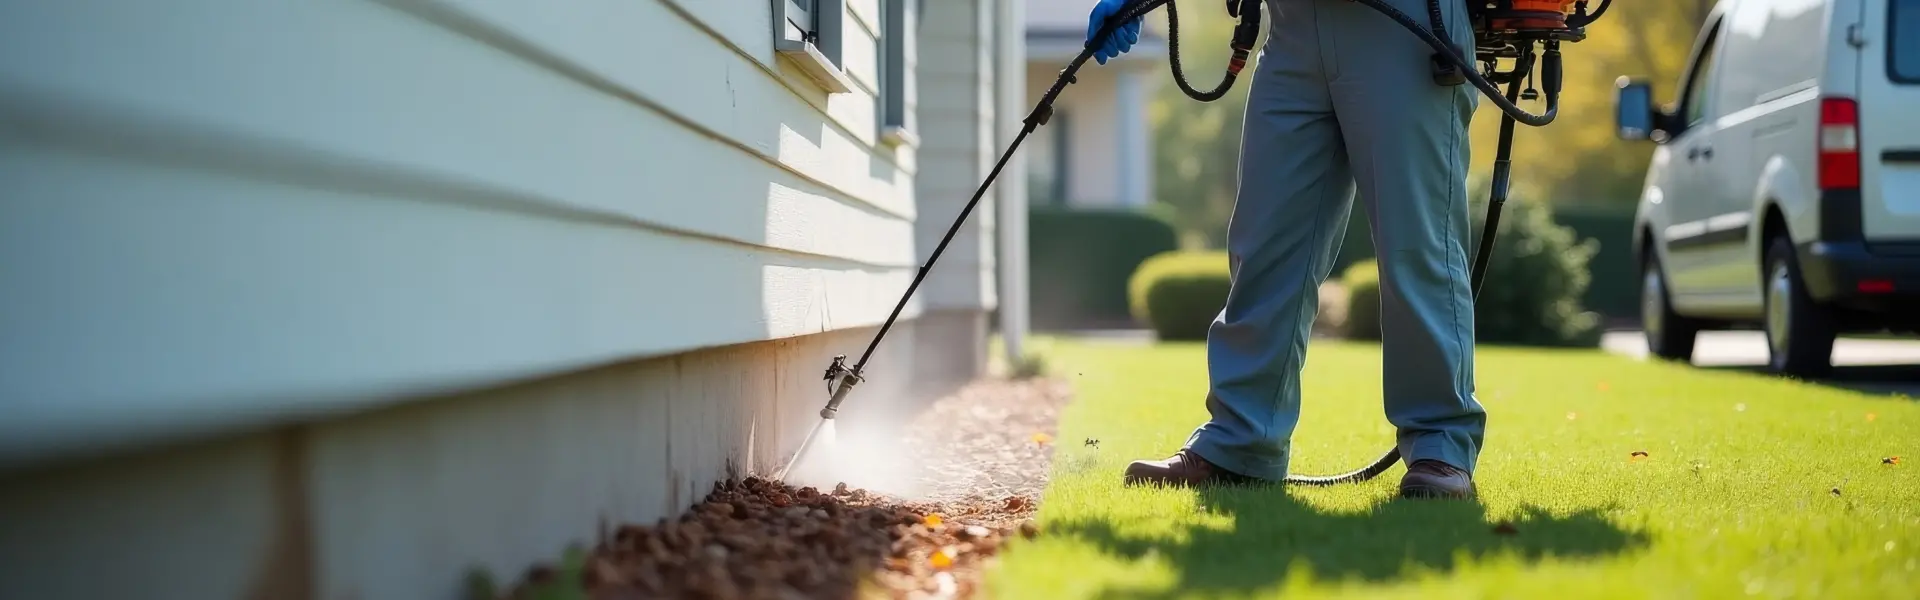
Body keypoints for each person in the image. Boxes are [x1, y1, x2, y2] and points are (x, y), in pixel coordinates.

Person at [1090, 0, 1485, 499]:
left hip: (1403, 23)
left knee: (1416, 246)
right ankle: (1242, 442)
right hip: (1293, 29)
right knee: (1266, 246)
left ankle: (1441, 445)